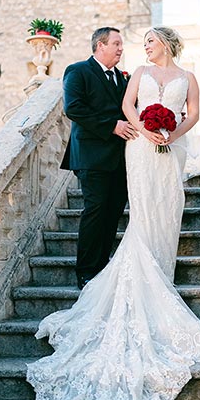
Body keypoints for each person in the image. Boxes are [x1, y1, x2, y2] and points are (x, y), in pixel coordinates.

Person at [27, 26, 200, 400]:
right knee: (107, 214)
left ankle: (158, 273)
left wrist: (171, 133)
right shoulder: (98, 73)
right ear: (100, 45)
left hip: (165, 150)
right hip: (120, 151)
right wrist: (146, 130)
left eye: (149, 41)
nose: (133, 48)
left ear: (166, 43)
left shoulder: (167, 76)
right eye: (120, 43)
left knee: (157, 210)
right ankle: (92, 276)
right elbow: (112, 110)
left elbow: (193, 112)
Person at [60, 26, 138, 289]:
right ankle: (86, 272)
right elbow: (73, 108)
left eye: (121, 44)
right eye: (116, 43)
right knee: (95, 211)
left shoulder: (123, 78)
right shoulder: (78, 71)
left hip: (120, 158)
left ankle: (103, 267)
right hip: (91, 157)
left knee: (113, 212)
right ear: (100, 45)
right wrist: (112, 125)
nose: (120, 48)